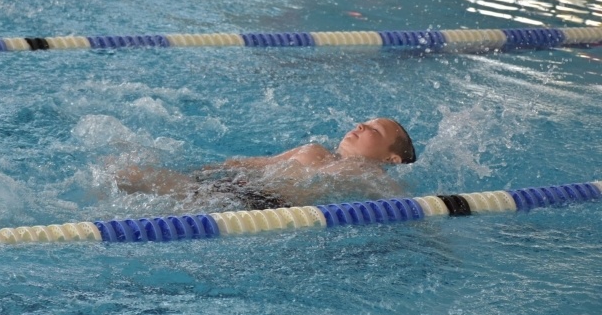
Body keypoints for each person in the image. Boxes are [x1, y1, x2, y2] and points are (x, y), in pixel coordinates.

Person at [116, 118, 416, 210]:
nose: (361, 126)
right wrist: (203, 170)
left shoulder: (367, 172)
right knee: (124, 173)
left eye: (374, 131)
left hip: (264, 205)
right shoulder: (312, 149)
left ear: (391, 159)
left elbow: (400, 201)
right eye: (364, 123)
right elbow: (254, 163)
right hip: (233, 188)